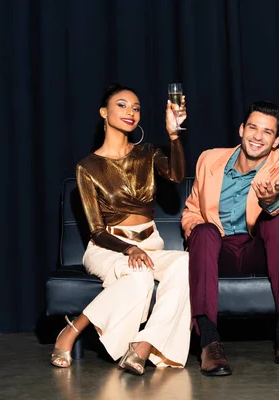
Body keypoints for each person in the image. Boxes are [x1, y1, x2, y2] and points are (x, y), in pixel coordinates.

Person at [50, 83, 191, 375]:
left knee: (186, 263)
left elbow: (177, 176)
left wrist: (174, 135)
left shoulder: (148, 153)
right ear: (104, 112)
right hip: (107, 248)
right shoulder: (87, 167)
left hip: (151, 245)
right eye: (122, 105)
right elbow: (96, 230)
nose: (131, 112)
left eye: (136, 108)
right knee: (139, 277)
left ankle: (142, 345)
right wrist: (129, 248)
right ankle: (75, 328)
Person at [181, 101, 279, 376]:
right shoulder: (209, 159)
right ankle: (209, 342)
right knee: (202, 230)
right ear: (241, 129)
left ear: (276, 140)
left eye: (267, 132)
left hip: (257, 252)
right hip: (218, 250)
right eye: (253, 127)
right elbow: (191, 211)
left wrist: (273, 200)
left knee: (278, 221)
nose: (258, 136)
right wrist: (198, 234)